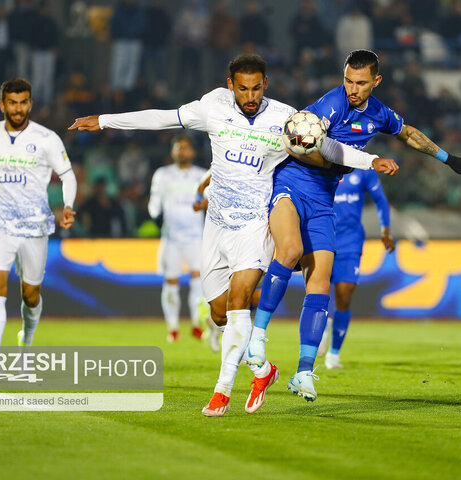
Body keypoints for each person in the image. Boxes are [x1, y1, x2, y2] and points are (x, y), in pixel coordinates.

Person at [69, 53, 398, 417]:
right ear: (231, 86)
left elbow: (325, 146)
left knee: (241, 298)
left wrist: (370, 161)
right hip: (217, 224)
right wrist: (103, 120)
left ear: (265, 85)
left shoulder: (284, 118)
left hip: (256, 223)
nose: (251, 95)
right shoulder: (212, 106)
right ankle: (263, 369)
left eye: (257, 87)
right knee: (220, 314)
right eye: (243, 88)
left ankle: (221, 392)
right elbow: (163, 119)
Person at [246, 49, 461, 402]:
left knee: (321, 282)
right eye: (348, 81)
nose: (352, 89)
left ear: (376, 82)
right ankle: (256, 338)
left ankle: (305, 372)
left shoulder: (379, 113)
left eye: (360, 83)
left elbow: (409, 134)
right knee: (291, 250)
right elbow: (302, 147)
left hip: (324, 199)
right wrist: (362, 162)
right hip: (292, 185)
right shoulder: (330, 105)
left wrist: (450, 160)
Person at [0, 78, 77, 347]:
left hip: (35, 225)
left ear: (30, 104)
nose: (18, 109)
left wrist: (68, 205)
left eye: (23, 102)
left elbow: (68, 176)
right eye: (12, 103)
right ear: (2, 104)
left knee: (31, 295)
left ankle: (28, 335)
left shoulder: (47, 139)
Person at [319, 169, 395, 369]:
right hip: (322, 236)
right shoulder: (321, 161)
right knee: (320, 291)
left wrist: (385, 229)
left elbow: (380, 200)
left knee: (344, 295)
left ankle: (334, 355)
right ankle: (324, 323)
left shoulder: (364, 169)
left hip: (350, 241)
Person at [148, 134, 208, 343]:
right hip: (171, 238)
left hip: (196, 237)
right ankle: (172, 328)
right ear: (172, 151)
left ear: (192, 152)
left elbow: (208, 202)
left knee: (198, 282)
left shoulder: (202, 175)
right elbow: (155, 200)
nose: (181, 151)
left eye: (185, 148)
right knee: (171, 282)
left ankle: (196, 324)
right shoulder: (163, 174)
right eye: (178, 147)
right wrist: (155, 215)